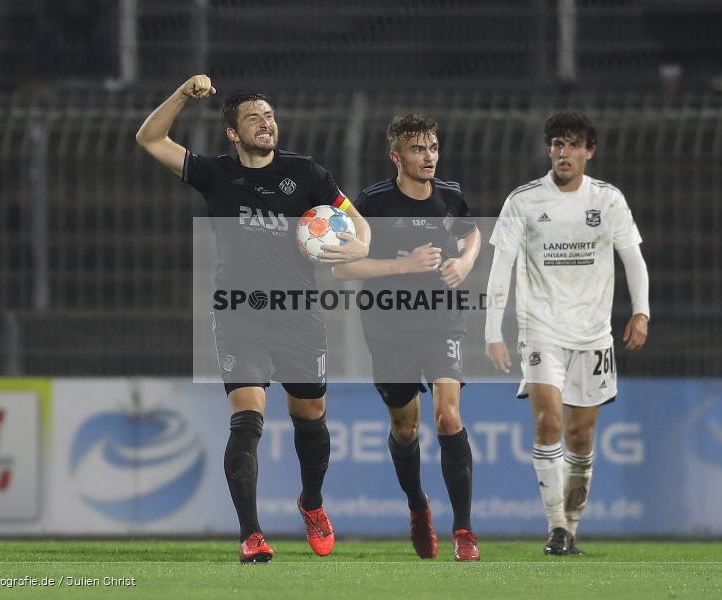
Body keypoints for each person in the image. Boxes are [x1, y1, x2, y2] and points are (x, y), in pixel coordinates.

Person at [136, 74, 370, 563]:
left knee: (311, 419)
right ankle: (251, 535)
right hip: (238, 312)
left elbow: (357, 221)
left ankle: (311, 503)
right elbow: (149, 139)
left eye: (269, 115)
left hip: (298, 314)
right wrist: (181, 93)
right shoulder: (215, 174)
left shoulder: (306, 174)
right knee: (246, 421)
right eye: (253, 118)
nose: (266, 123)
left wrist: (361, 245)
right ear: (233, 133)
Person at [484, 110, 649, 556]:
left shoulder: (608, 200)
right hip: (540, 329)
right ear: (549, 150)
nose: (563, 153)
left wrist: (641, 312)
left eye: (573, 145)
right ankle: (555, 525)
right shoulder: (524, 201)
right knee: (548, 422)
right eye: (557, 144)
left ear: (588, 152)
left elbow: (632, 258)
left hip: (593, 335)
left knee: (580, 436)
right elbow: (501, 266)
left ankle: (572, 525)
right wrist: (492, 331)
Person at [332, 114, 482, 561]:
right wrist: (404, 265)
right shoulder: (372, 204)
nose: (429, 156)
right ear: (396, 157)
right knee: (406, 426)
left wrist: (467, 263)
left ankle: (463, 531)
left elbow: (472, 235)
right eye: (419, 149)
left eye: (433, 147)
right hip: (389, 326)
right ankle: (418, 505)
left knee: (449, 418)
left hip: (443, 321)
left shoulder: (451, 196)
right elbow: (343, 268)